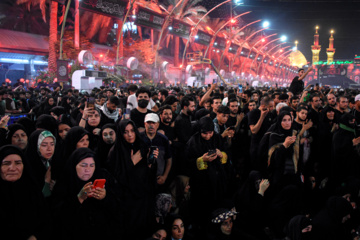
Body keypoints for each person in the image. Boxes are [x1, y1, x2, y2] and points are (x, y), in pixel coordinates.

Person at [51, 148, 121, 240]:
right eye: (83, 165)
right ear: (74, 165)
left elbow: (118, 209)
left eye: (92, 165)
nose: (88, 170)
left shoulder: (103, 177)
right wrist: (79, 199)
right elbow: (57, 217)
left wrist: (105, 197)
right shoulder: (65, 183)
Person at [107, 120, 157, 239]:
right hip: (127, 201)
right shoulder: (115, 152)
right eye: (125, 132)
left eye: (132, 131)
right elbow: (115, 180)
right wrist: (131, 163)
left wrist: (151, 164)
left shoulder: (142, 146)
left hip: (144, 197)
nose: (130, 135)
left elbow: (150, 175)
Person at [186, 117, 229, 229]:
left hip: (218, 178)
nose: (208, 136)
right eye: (205, 133)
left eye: (210, 133)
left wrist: (221, 154)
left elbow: (227, 154)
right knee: (203, 207)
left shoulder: (217, 138)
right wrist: (201, 160)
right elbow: (186, 161)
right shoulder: (193, 141)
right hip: (201, 181)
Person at [0, 145, 50, 240]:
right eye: (6, 163)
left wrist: (35, 237)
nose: (13, 168)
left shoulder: (33, 191)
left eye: (18, 163)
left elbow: (46, 222)